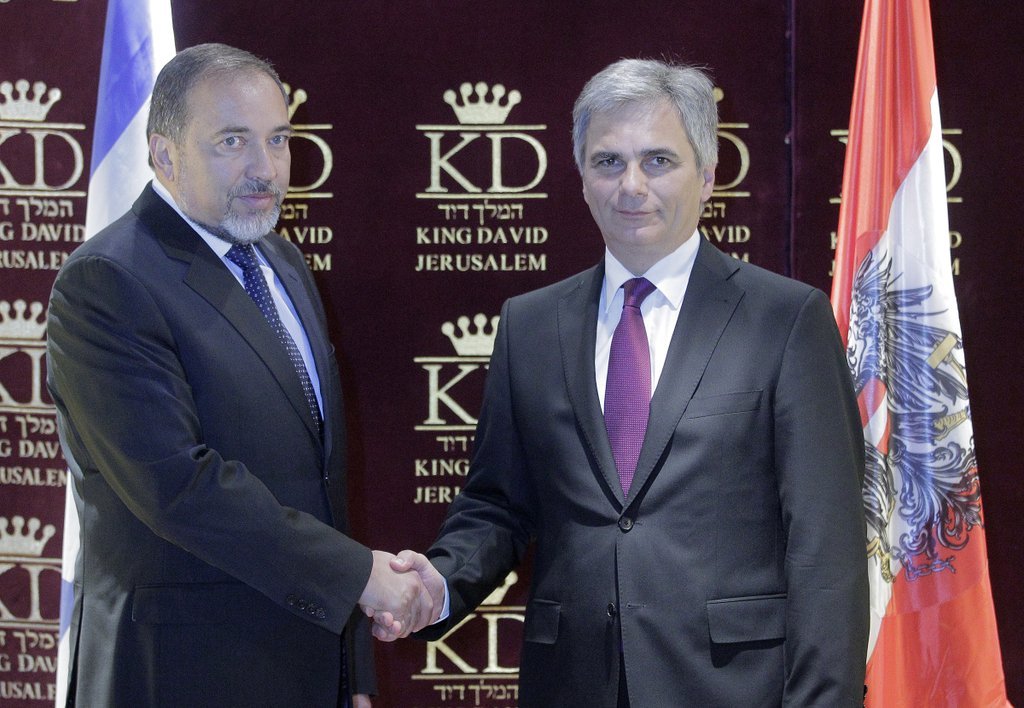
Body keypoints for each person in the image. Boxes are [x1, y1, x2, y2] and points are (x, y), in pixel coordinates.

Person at [388, 58, 870, 707]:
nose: (631, 186)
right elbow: (497, 505)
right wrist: (439, 584)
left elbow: (826, 550)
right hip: (571, 686)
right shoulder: (530, 325)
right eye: (608, 162)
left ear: (708, 175)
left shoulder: (785, 320)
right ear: (583, 179)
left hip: (733, 690)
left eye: (658, 161)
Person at [46, 43, 432, 707]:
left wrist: (353, 675)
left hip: (306, 668)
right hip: (176, 674)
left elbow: (322, 484)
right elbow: (178, 486)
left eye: (277, 139)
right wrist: (360, 577)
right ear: (164, 154)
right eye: (232, 141)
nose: (265, 168)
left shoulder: (281, 262)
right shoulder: (107, 282)